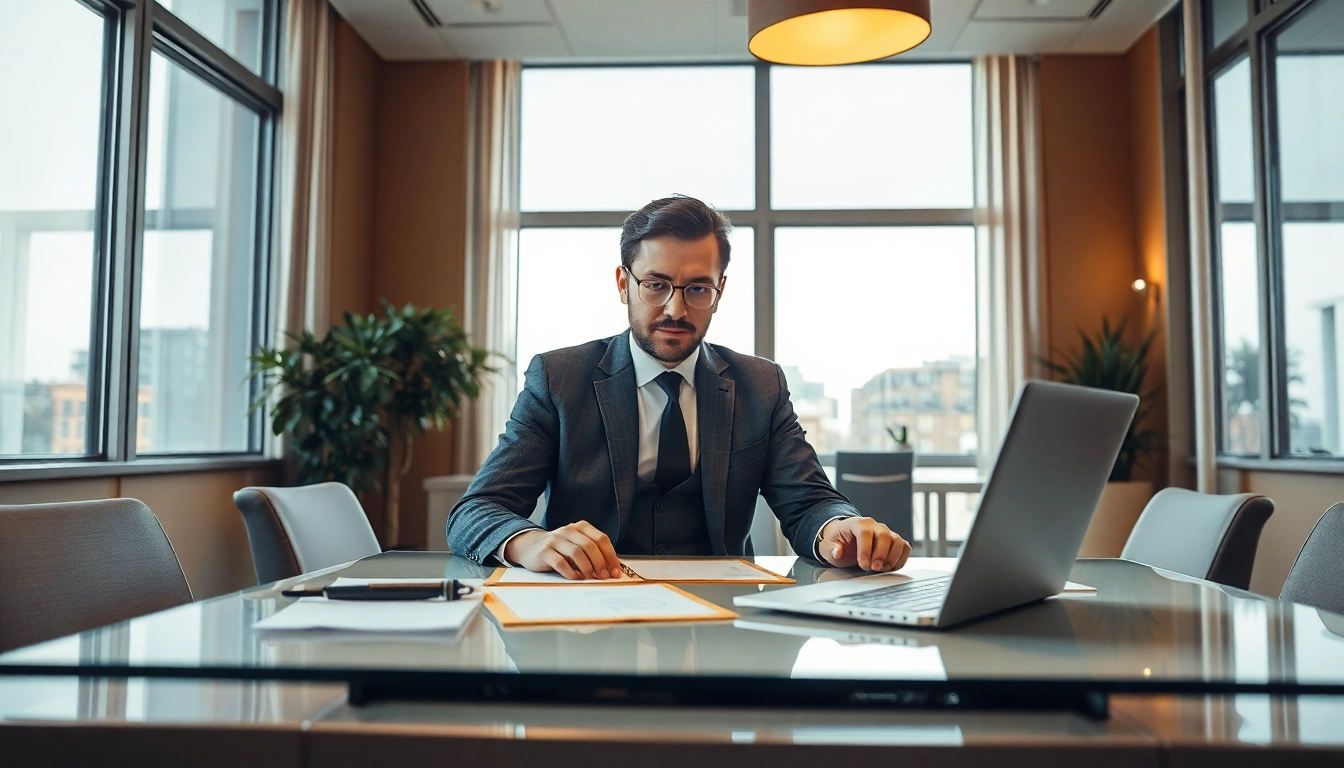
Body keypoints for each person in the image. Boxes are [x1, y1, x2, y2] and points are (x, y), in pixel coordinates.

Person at [447, 195, 910, 579]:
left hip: (724, 622)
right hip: (583, 615)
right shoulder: (559, 377)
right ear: (623, 284)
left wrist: (838, 529)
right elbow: (476, 511)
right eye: (656, 284)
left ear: (720, 292)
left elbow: (808, 501)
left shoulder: (760, 384)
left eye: (697, 289)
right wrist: (529, 542)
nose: (675, 308)